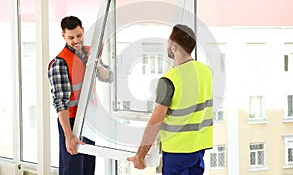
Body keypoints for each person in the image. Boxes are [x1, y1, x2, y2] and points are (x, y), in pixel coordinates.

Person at [127, 24, 213, 175]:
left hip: (177, 151)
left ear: (173, 47)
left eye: (168, 41)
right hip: (199, 148)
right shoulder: (206, 72)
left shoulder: (169, 80)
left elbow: (155, 122)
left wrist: (140, 155)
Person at [48, 16, 113, 175]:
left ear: (83, 31)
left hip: (90, 120)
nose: (76, 40)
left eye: (78, 35)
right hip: (71, 122)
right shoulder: (60, 63)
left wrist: (97, 63)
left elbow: (109, 77)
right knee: (73, 169)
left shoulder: (91, 52)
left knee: (88, 168)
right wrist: (69, 136)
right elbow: (60, 103)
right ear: (63, 36)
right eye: (71, 37)